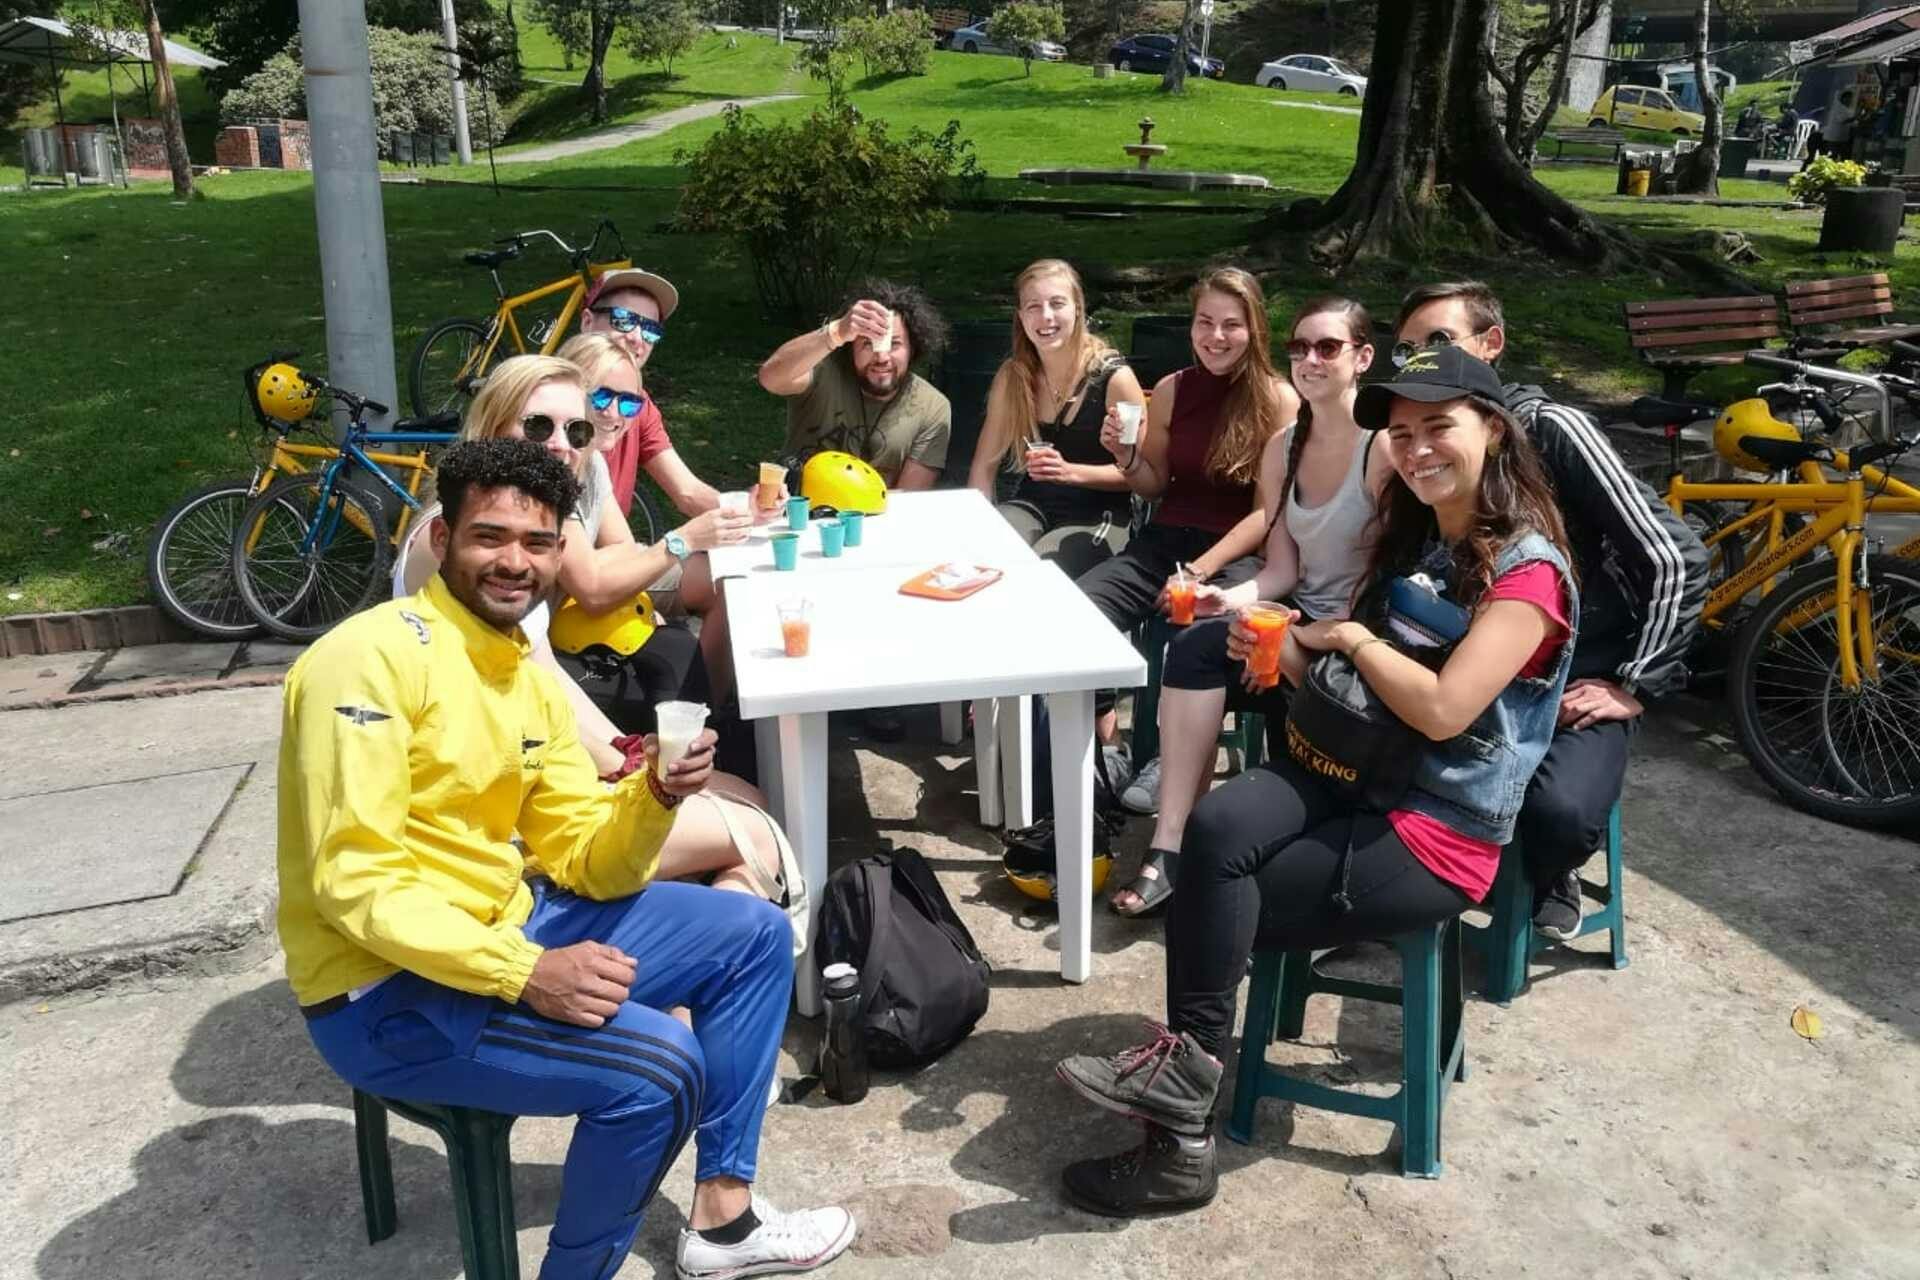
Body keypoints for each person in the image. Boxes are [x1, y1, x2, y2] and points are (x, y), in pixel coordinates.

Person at [280, 437, 856, 1279]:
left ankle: (723, 1224)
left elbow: (585, 857)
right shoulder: (363, 662)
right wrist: (524, 971)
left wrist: (655, 795)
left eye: (538, 542)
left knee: (752, 934)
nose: (515, 562)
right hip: (380, 988)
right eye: (490, 537)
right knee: (661, 1070)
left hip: (502, 926)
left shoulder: (521, 665)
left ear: (559, 551)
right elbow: (354, 883)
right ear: (443, 542)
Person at [1053, 347, 1579, 1217]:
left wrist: (1350, 642)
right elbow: (1347, 678)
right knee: (1210, 835)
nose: (1415, 450)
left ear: (1492, 428)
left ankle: (1180, 1139)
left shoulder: (1529, 572)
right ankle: (1188, 1082)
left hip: (1434, 828)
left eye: (1438, 428)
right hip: (1358, 776)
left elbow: (1445, 710)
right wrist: (1275, 644)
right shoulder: (1421, 540)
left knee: (1226, 895)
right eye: (1402, 434)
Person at [1390, 282, 1705, 937]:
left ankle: (1542, 871)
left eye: (1441, 342)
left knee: (1556, 812)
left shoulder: (1552, 430)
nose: (1423, 360)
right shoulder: (1415, 445)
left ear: (1492, 344)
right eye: (1409, 349)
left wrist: (1635, 682)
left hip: (1580, 673)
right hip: (1473, 670)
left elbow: (1675, 556)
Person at [1110, 296, 1391, 916]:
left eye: (1328, 347)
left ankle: (1301, 850)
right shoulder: (1284, 447)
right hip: (1292, 623)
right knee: (1192, 647)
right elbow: (1282, 567)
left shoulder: (1384, 451)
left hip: (1353, 642)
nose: (1310, 360)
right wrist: (1225, 597)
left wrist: (1317, 635)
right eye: (1300, 348)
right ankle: (1170, 843)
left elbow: (1387, 580)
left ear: (1362, 358)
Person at [1003, 266, 1296, 843]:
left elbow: (1267, 514)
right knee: (1079, 610)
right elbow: (1155, 485)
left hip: (1235, 554)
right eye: (1205, 322)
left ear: (1254, 329)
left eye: (1231, 325)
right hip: (1165, 540)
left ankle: (1174, 749)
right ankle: (1096, 755)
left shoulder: (1277, 399)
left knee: (1193, 634)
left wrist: (1205, 569)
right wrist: (1127, 456)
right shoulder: (1171, 390)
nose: (1216, 336)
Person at [968, 258, 1145, 580]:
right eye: (1033, 306)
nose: (1045, 316)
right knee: (988, 560)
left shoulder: (1114, 379)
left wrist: (1070, 472)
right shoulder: (1014, 377)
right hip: (1032, 503)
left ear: (1078, 308)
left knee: (1042, 572)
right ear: (1021, 317)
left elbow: (1145, 476)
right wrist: (980, 525)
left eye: (1057, 303)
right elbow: (984, 466)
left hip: (1099, 513)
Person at [757, 279, 953, 490]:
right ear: (850, 347)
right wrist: (836, 332)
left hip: (877, 516)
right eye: (868, 344)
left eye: (894, 344)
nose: (882, 357)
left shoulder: (932, 406)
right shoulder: (823, 371)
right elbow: (770, 378)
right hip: (798, 510)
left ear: (913, 348)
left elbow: (910, 496)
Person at [578, 265, 725, 520]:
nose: (637, 338)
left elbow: (688, 492)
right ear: (587, 321)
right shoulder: (548, 402)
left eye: (650, 329)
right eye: (623, 319)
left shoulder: (638, 404)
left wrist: (752, 510)